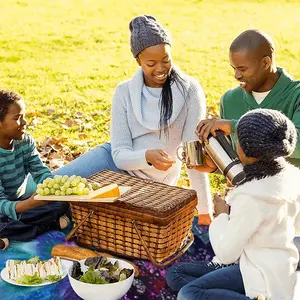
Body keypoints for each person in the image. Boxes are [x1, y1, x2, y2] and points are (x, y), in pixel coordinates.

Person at [51, 15, 212, 224]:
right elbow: (119, 155)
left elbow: (193, 156)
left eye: (166, 59)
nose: (161, 68)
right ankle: (16, 214)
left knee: (95, 218)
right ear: (138, 61)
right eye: (151, 63)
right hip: (113, 163)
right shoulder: (124, 92)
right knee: (50, 188)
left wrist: (205, 210)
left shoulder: (190, 90)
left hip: (150, 185)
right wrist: (146, 156)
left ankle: (63, 216)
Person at [166, 108, 300, 300]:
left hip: (259, 276)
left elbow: (226, 252)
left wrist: (222, 215)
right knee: (176, 274)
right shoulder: (293, 177)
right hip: (277, 267)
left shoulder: (251, 196)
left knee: (188, 293)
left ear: (243, 150)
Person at [195, 29, 300, 170]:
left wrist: (235, 127)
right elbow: (239, 161)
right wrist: (215, 166)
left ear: (266, 63)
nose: (236, 75)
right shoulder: (230, 100)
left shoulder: (296, 95)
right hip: (249, 189)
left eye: (242, 69)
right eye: (234, 68)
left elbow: (297, 144)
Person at [0, 90, 70, 241]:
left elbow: (40, 172)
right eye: (17, 118)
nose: (25, 122)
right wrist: (29, 204)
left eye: (24, 116)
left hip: (20, 202)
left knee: (65, 204)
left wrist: (53, 189)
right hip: (4, 208)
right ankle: (47, 226)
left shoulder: (25, 141)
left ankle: (16, 233)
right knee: (3, 223)